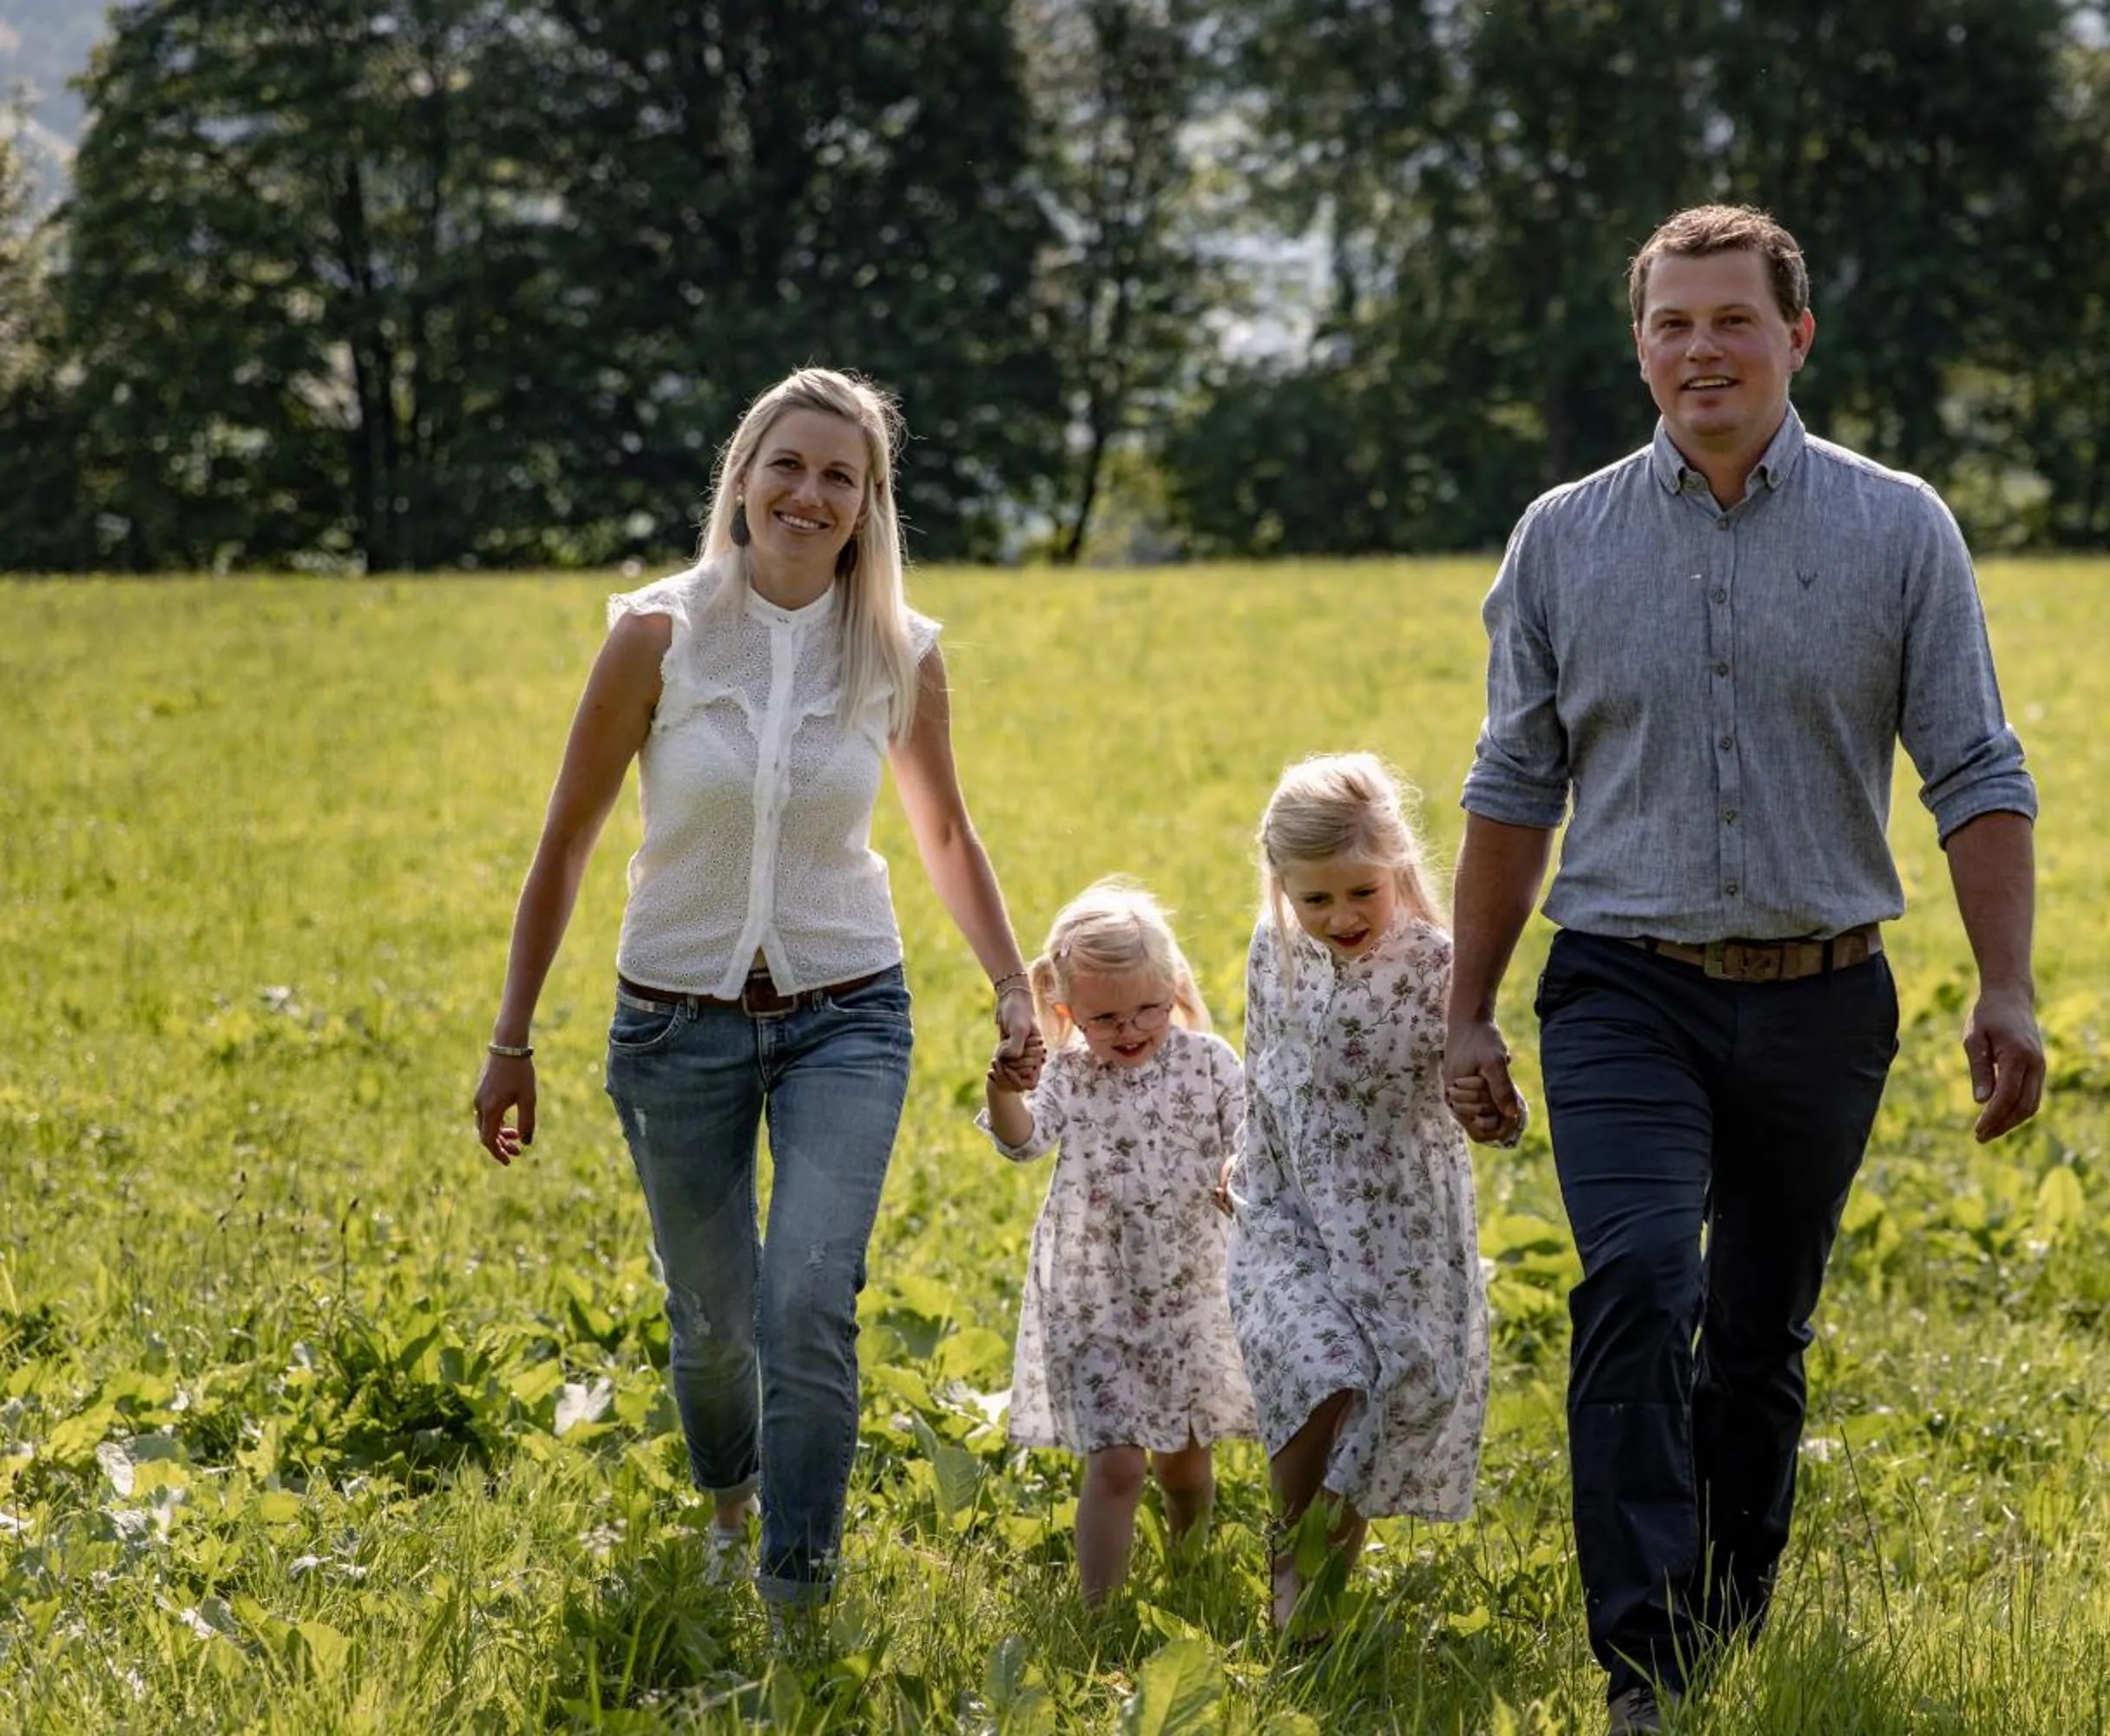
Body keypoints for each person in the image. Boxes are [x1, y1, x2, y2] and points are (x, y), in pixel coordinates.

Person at [1443, 205, 2044, 1730]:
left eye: (1731, 320)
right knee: (1640, 1283)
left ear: (1796, 336)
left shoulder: (1898, 526)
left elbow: (1972, 765)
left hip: (1826, 992)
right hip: (1622, 984)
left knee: (1760, 1332)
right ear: (1639, 344)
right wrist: (1467, 1011)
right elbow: (1514, 789)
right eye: (1671, 323)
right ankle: (1643, 1666)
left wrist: (2008, 984)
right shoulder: (1563, 537)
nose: (1700, 348)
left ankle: (1723, 1622)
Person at [470, 365, 1043, 1619]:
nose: (810, 491)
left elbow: (944, 832)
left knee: (808, 1303)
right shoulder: (657, 633)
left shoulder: (900, 651)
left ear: (868, 506)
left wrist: (1012, 984)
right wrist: (510, 1039)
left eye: (842, 475)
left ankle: (799, 1592)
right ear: (742, 476)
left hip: (851, 1011)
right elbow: (565, 842)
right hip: (674, 1023)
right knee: (717, 1323)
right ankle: (728, 1505)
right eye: (788, 463)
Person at [1225, 753, 1497, 1633]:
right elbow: (1260, 1063)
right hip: (1289, 1205)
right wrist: (1241, 1165)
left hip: (1398, 1219)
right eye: (1317, 898)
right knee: (1319, 1366)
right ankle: (1288, 1560)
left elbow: (1468, 1076)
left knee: (1390, 1384)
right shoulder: (1273, 948)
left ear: (1397, 868)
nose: (1340, 916)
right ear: (1282, 887)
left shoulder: (1437, 964)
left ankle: (1325, 1571)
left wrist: (1489, 1098)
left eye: (1361, 893)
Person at [977, 879, 1256, 1604]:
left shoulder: (1209, 1063)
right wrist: (1003, 1091)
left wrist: (1236, 1168)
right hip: (1094, 1297)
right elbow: (1023, 1142)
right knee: (1119, 1465)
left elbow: (1254, 1139)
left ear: (1173, 988)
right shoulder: (1071, 1073)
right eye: (1105, 1018)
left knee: (1183, 1466)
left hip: (1186, 1296)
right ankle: (1097, 1613)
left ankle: (1191, 1566)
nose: (1130, 1030)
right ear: (1067, 1012)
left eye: (1148, 1010)